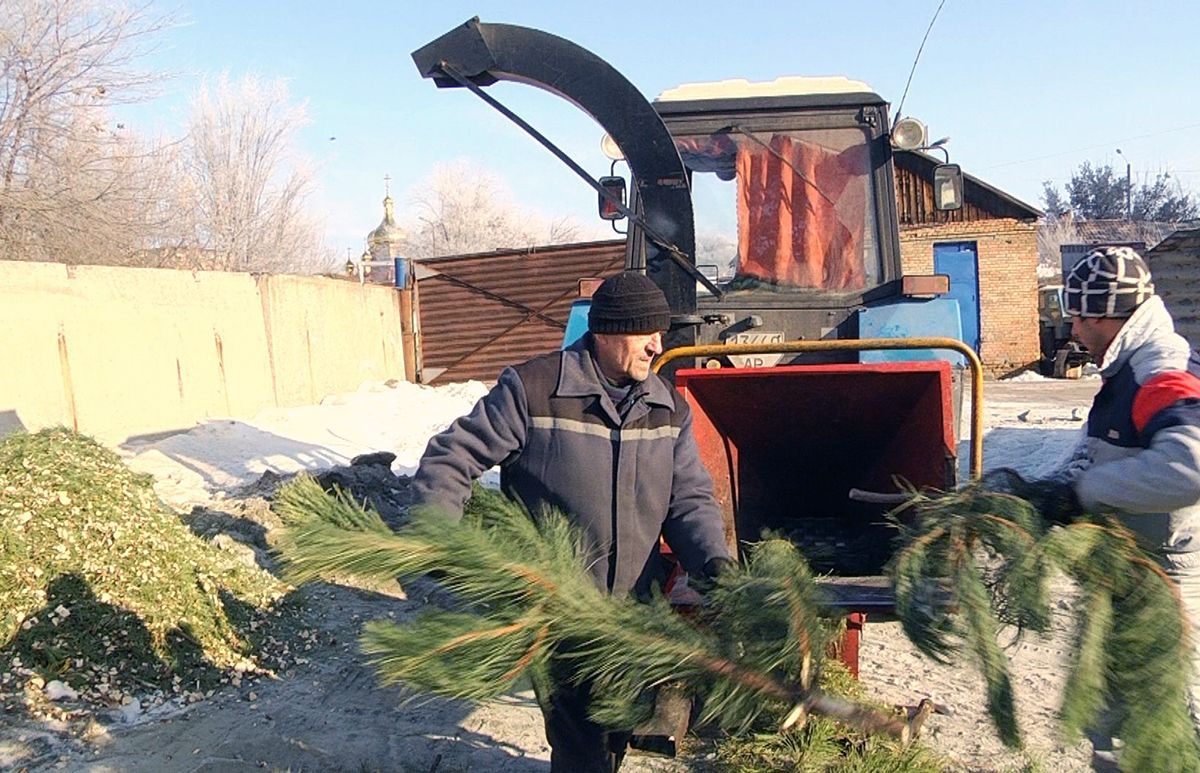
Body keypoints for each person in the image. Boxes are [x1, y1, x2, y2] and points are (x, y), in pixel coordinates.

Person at [412, 270, 734, 772]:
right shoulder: (534, 390)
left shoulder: (666, 406)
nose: (656, 347)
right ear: (606, 334)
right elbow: (451, 459)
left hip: (634, 610)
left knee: (615, 732)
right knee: (581, 745)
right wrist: (442, 540)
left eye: (660, 334)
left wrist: (714, 561)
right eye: (643, 334)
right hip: (559, 611)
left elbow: (687, 498)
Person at [1045, 246, 1200, 736]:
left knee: (1164, 727)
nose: (1072, 330)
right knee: (1112, 723)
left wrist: (1086, 492)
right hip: (1130, 568)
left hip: (1165, 576)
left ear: (1108, 316)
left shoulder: (1160, 372)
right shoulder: (1125, 370)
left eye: (1078, 318)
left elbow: (1188, 466)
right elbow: (1101, 454)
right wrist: (1047, 491)